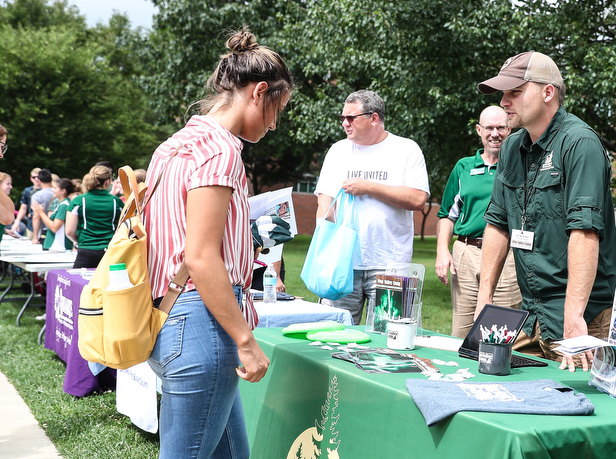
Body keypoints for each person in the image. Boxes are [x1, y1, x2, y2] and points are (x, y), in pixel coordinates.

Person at [142, 27, 292, 459]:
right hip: (202, 326)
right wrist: (246, 341)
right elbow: (201, 256)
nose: (275, 122)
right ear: (260, 92)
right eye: (278, 108)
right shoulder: (221, 151)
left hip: (169, 315)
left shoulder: (174, 145)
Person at [475, 51, 616, 372]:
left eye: (515, 92)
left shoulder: (579, 144)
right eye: (503, 93)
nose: (504, 102)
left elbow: (584, 233)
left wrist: (573, 318)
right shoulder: (513, 147)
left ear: (547, 92)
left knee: (588, 412)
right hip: (531, 312)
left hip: (584, 315)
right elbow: (498, 223)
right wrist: (484, 300)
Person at [314, 90, 430, 325]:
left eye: (351, 118)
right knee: (333, 334)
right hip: (343, 264)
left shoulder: (406, 149)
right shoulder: (338, 150)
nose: (345, 123)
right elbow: (325, 201)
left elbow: (418, 199)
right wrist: (324, 244)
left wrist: (369, 187)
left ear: (374, 118)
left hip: (391, 265)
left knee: (390, 338)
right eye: (343, 118)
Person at [436, 106, 522, 339]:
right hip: (467, 253)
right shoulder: (463, 167)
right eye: (489, 128)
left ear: (509, 129)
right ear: (479, 130)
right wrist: (442, 251)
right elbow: (447, 215)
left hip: (508, 257)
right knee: (462, 330)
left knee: (501, 332)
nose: (495, 133)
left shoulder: (522, 166)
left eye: (501, 128)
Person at [65, 166, 124, 268]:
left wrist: (80, 241)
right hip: (109, 251)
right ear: (108, 181)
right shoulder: (116, 201)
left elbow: (69, 231)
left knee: (79, 282)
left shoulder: (78, 200)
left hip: (86, 249)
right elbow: (122, 228)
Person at [31, 178, 74, 251]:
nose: (52, 190)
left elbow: (54, 227)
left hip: (59, 247)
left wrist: (41, 213)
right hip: (56, 247)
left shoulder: (64, 206)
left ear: (63, 191)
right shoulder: (61, 204)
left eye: (55, 188)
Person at [10, 166, 41, 236]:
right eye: (34, 177)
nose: (36, 179)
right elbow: (23, 207)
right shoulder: (28, 191)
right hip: (31, 223)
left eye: (38, 177)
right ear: (31, 178)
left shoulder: (47, 190)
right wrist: (17, 221)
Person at [29, 168, 55, 243]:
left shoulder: (37, 196)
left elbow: (36, 217)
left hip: (44, 233)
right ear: (51, 179)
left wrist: (35, 237)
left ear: (39, 180)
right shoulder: (58, 192)